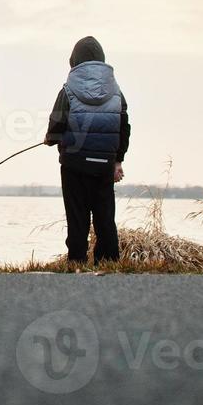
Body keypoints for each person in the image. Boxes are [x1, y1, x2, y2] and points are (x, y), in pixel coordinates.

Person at [43, 36, 130, 265]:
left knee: (77, 216)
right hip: (104, 165)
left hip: (74, 164)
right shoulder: (116, 92)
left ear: (74, 61)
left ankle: (77, 261)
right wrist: (118, 160)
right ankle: (109, 261)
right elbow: (124, 127)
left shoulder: (68, 90)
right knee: (105, 217)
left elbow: (57, 123)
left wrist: (50, 139)